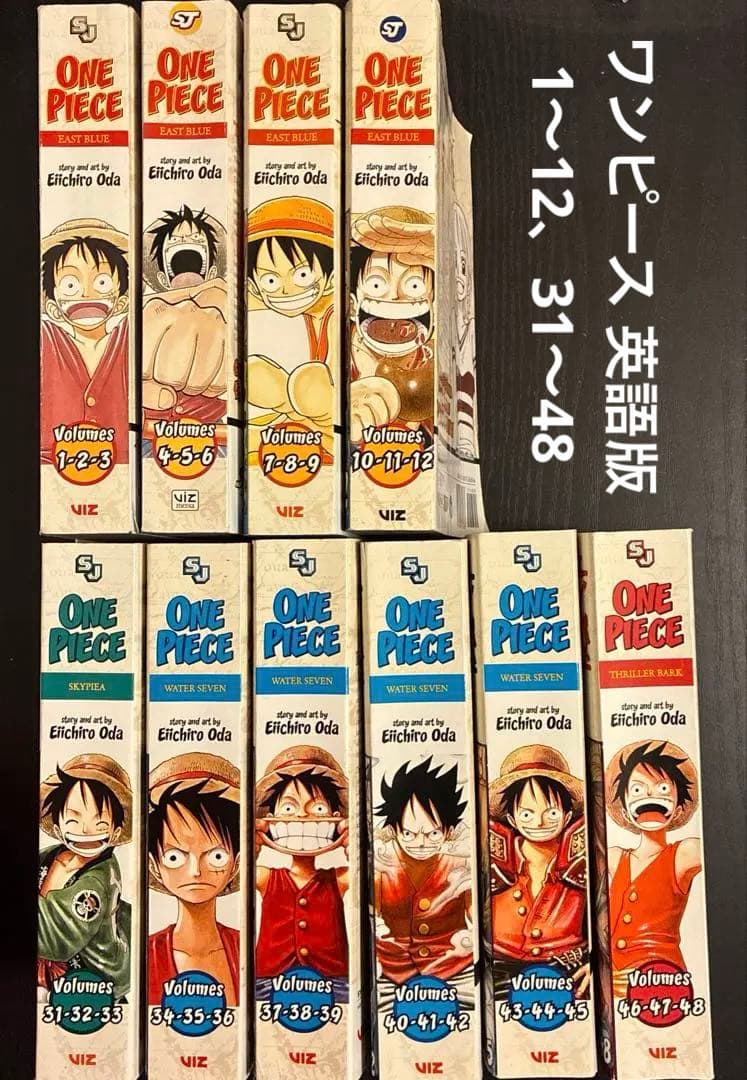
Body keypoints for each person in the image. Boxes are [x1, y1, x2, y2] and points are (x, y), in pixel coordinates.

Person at [488, 745, 590, 997]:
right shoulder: (492, 868)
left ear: (567, 815)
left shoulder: (584, 868)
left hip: (569, 980)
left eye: (551, 812)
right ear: (512, 819)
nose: (539, 822)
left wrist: (595, 964)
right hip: (499, 985)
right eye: (527, 813)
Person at [605, 739, 702, 997]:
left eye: (662, 788)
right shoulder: (614, 857)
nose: (650, 796)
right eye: (637, 789)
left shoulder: (683, 854)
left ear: (678, 807)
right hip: (615, 983)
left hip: (662, 981)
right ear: (625, 808)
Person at [246, 197, 337, 462]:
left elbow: (322, 401)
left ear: (331, 275)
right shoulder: (310, 316)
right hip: (314, 433)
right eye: (270, 280)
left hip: (347, 432)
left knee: (307, 385)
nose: (286, 290)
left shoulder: (336, 316)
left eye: (302, 275)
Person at [254, 746, 349, 1000]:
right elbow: (230, 878)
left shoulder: (338, 879)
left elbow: (374, 879)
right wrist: (252, 845)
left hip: (333, 984)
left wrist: (354, 845)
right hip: (270, 983)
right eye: (289, 808)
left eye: (317, 809)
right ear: (271, 818)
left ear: (336, 818)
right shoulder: (267, 878)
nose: (302, 815)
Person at [147, 753, 241, 1006]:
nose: (195, 871)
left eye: (216, 856)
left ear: (236, 863)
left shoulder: (247, 949)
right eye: (175, 857)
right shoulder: (145, 954)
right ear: (155, 866)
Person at [373, 757, 473, 991]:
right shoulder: (381, 863)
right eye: (408, 834)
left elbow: (476, 916)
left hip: (456, 970)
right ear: (394, 829)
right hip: (391, 974)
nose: (420, 843)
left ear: (448, 831)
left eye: (433, 834)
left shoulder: (461, 863)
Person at [37, 755, 132, 1001]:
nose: (85, 830)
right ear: (58, 828)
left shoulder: (97, 880)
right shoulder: (51, 856)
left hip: (94, 983)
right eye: (73, 819)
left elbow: (57, 940)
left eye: (99, 822)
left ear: (115, 831)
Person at [40, 219, 130, 465]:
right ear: (53, 308)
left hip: (124, 467)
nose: (86, 293)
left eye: (102, 282)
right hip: (51, 470)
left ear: (122, 302)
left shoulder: (128, 339)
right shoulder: (46, 339)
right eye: (70, 284)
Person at [349, 205, 435, 443]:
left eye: (414, 286)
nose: (395, 298)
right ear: (352, 303)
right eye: (377, 284)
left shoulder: (431, 357)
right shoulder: (337, 349)